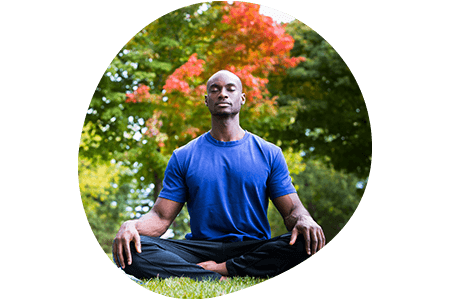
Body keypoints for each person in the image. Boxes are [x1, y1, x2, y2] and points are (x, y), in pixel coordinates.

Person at [113, 70, 325, 281]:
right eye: (215, 90)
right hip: (200, 248)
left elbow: (292, 212)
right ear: (207, 100)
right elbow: (160, 218)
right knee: (129, 248)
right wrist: (132, 225)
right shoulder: (183, 156)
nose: (222, 94)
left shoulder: (269, 153)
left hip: (252, 247)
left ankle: (221, 269)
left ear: (242, 99)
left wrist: (305, 219)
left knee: (305, 240)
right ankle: (215, 276)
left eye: (230, 89)